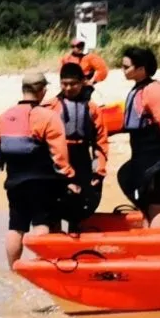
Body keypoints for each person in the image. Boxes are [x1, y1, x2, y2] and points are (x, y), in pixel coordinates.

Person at [0, 72, 75, 266]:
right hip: (43, 182)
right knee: (42, 223)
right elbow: (59, 153)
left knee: (16, 226)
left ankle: (14, 268)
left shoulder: (6, 116)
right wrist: (69, 178)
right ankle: (44, 267)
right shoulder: (48, 116)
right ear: (42, 91)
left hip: (14, 181)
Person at [115, 45, 160, 228]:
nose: (123, 70)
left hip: (155, 153)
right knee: (139, 194)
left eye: (126, 67)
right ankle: (148, 235)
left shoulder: (154, 90)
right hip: (140, 152)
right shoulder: (138, 89)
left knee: (154, 204)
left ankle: (158, 241)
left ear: (141, 69)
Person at [54, 62, 107, 233]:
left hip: (82, 156)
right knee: (54, 204)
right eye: (64, 84)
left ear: (82, 82)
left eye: (73, 84)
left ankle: (76, 237)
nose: (68, 88)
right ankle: (55, 247)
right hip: (59, 157)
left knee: (80, 204)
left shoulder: (92, 108)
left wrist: (99, 170)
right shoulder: (52, 106)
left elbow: (100, 141)